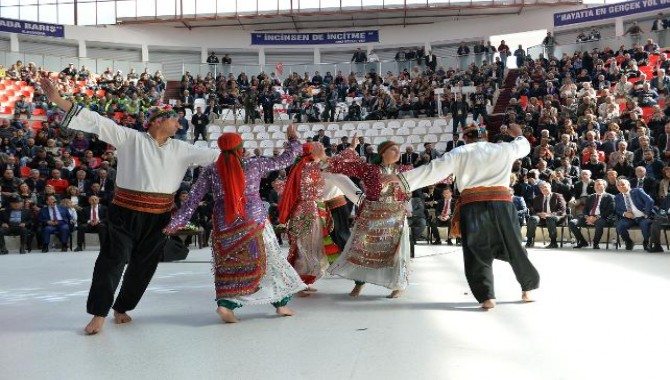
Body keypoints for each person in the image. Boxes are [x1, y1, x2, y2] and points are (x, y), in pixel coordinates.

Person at [41, 78, 221, 335]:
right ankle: (99, 314)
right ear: (159, 120)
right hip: (124, 212)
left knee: (144, 266)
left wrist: (242, 153)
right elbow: (95, 121)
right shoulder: (130, 138)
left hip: (159, 217)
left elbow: (218, 155)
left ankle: (122, 307)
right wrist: (58, 100)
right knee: (113, 261)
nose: (179, 124)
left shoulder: (183, 149)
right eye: (175, 119)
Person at [384, 124, 539, 310]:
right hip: (502, 204)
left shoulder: (460, 152)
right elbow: (523, 145)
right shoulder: (504, 148)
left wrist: (401, 179)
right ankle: (527, 289)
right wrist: (518, 134)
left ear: (466, 137)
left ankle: (487, 297)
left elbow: (432, 170)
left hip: (473, 205)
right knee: (513, 245)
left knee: (476, 249)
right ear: (485, 136)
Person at [164, 129, 306, 323]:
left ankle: (225, 305)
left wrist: (177, 221)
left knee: (229, 266)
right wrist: (293, 139)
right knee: (270, 261)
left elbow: (193, 198)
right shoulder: (254, 164)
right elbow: (285, 160)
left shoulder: (211, 170)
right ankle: (281, 304)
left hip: (224, 225)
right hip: (254, 222)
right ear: (240, 149)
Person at [322, 138, 413, 298]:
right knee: (361, 249)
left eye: (399, 150)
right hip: (371, 216)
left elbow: (423, 179)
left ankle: (399, 285)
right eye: (393, 150)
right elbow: (343, 165)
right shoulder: (370, 169)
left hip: (396, 218)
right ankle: (359, 283)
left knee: (397, 252)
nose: (398, 152)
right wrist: (325, 158)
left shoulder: (405, 170)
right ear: (383, 152)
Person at [280, 142, 339, 295]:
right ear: (313, 151)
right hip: (307, 211)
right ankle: (297, 283)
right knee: (304, 246)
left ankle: (305, 280)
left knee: (314, 246)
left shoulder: (307, 165)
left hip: (313, 209)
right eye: (321, 149)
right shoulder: (308, 166)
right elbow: (312, 189)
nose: (324, 151)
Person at [568, 179, 616, 249]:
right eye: (595, 185)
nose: (596, 186)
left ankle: (595, 243)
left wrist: (596, 218)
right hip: (589, 217)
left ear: (604, 186)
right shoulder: (590, 197)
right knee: (572, 222)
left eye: (599, 184)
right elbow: (585, 209)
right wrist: (587, 217)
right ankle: (583, 242)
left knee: (600, 223)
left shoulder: (610, 197)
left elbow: (609, 211)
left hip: (602, 218)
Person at [614, 178, 654, 251]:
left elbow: (649, 201)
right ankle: (628, 242)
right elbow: (617, 209)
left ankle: (646, 242)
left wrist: (647, 213)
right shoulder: (617, 197)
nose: (621, 187)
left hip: (643, 216)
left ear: (628, 185)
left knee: (645, 224)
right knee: (619, 226)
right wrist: (624, 213)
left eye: (623, 184)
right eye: (618, 185)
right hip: (630, 218)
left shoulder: (637, 191)